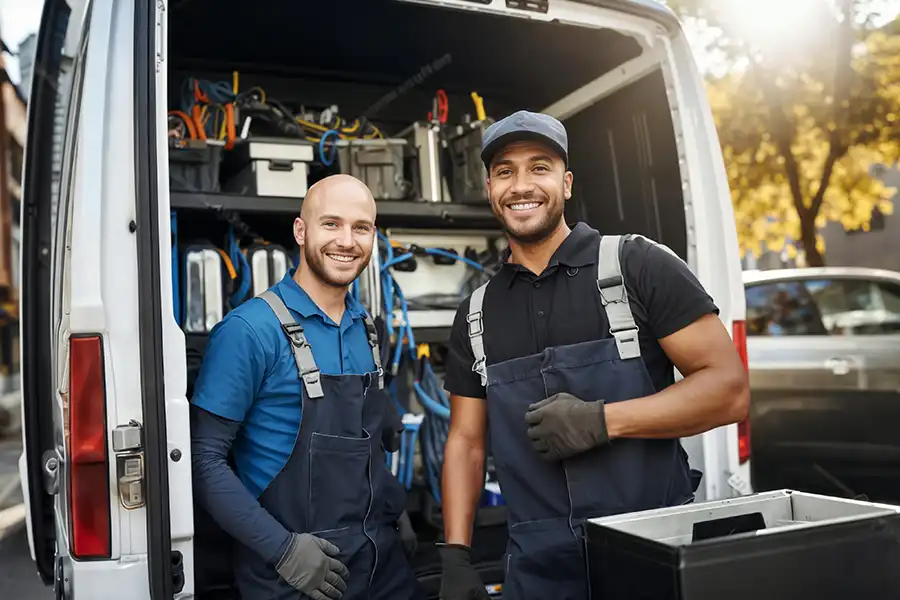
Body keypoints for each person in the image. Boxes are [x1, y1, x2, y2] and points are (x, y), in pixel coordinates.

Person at [436, 111, 751, 600]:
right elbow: (465, 441)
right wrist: (455, 553)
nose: (521, 185)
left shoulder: (637, 265)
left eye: (539, 168)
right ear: (489, 187)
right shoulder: (476, 314)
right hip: (539, 573)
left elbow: (729, 391)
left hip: (650, 556)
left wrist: (604, 421)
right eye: (505, 171)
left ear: (565, 183)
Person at [190, 174, 424, 600]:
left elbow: (367, 444)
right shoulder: (249, 331)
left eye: (361, 227)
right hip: (294, 580)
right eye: (331, 224)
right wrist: (282, 551)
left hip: (381, 569)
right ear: (301, 231)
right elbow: (203, 463)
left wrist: (395, 511)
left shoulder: (367, 329)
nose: (347, 240)